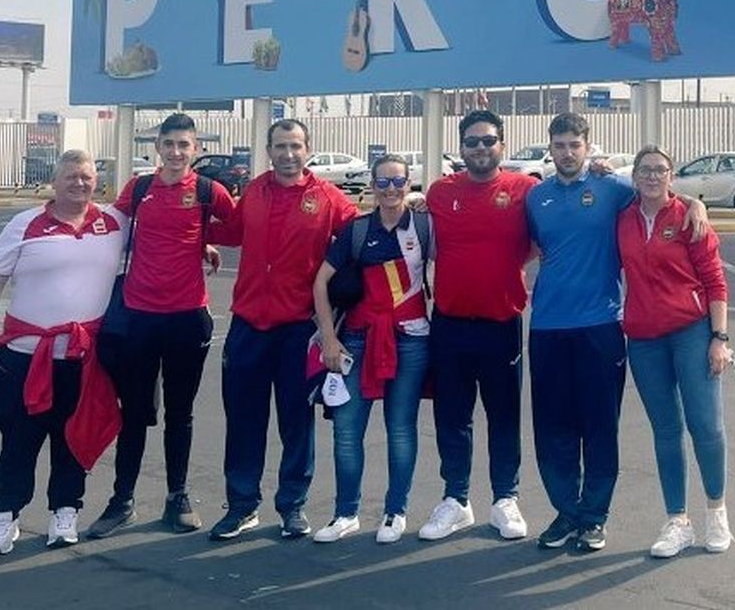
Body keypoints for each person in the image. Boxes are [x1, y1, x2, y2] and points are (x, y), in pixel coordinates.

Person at [525, 112, 708, 552]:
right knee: (553, 427)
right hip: (547, 327)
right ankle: (567, 511)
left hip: (601, 327)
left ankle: (594, 517)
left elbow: (658, 190)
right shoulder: (536, 198)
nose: (567, 153)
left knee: (599, 426)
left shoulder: (612, 190)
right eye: (559, 146)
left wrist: (695, 202)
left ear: (588, 147)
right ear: (550, 149)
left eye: (574, 145)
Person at [206, 119, 358, 541]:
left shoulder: (329, 199)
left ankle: (292, 505)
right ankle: (241, 506)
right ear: (269, 150)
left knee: (297, 420)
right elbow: (232, 230)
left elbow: (362, 235)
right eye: (279, 146)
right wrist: (196, 235)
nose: (287, 154)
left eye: (295, 146)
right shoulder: (254, 190)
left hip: (297, 329)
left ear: (307, 149)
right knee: (243, 419)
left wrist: (410, 206)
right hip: (248, 325)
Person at [86, 113, 234, 539]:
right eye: (168, 144)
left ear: (196, 149)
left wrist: (205, 240)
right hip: (138, 317)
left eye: (184, 145)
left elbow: (242, 229)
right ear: (158, 147)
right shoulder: (140, 188)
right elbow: (108, 231)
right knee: (133, 413)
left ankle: (178, 496)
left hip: (188, 318)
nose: (176, 152)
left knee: (180, 414)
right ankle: (122, 500)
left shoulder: (209, 191)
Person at [0, 150, 124, 555]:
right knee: (19, 440)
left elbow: (163, 240)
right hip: (24, 356)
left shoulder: (113, 223)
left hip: (83, 359)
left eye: (86, 177)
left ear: (97, 181)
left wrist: (204, 249)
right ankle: (5, 517)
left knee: (72, 439)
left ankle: (65, 512)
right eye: (71, 176)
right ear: (55, 183)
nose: (79, 183)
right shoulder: (25, 224)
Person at [417, 110, 535, 543]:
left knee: (504, 416)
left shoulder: (525, 190)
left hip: (501, 324)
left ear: (502, 145)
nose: (481, 148)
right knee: (453, 417)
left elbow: (547, 235)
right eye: (472, 142)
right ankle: (456, 500)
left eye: (488, 141)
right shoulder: (439, 192)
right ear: (461, 148)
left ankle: (505, 498)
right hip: (449, 324)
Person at [616, 146, 735, 558]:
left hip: (691, 331)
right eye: (645, 170)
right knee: (666, 430)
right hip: (644, 340)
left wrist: (719, 338)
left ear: (671, 176)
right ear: (634, 176)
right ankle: (677, 521)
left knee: (705, 425)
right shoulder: (624, 218)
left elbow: (715, 282)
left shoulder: (686, 216)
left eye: (660, 171)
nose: (652, 177)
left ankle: (716, 511)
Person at [309, 155, 431, 544]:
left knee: (400, 428)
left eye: (399, 182)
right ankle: (346, 513)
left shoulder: (427, 226)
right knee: (346, 430)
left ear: (409, 184)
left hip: (411, 338)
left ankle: (396, 512)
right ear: (372, 185)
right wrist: (328, 337)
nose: (391, 189)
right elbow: (319, 283)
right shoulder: (357, 230)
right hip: (358, 339)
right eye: (383, 182)